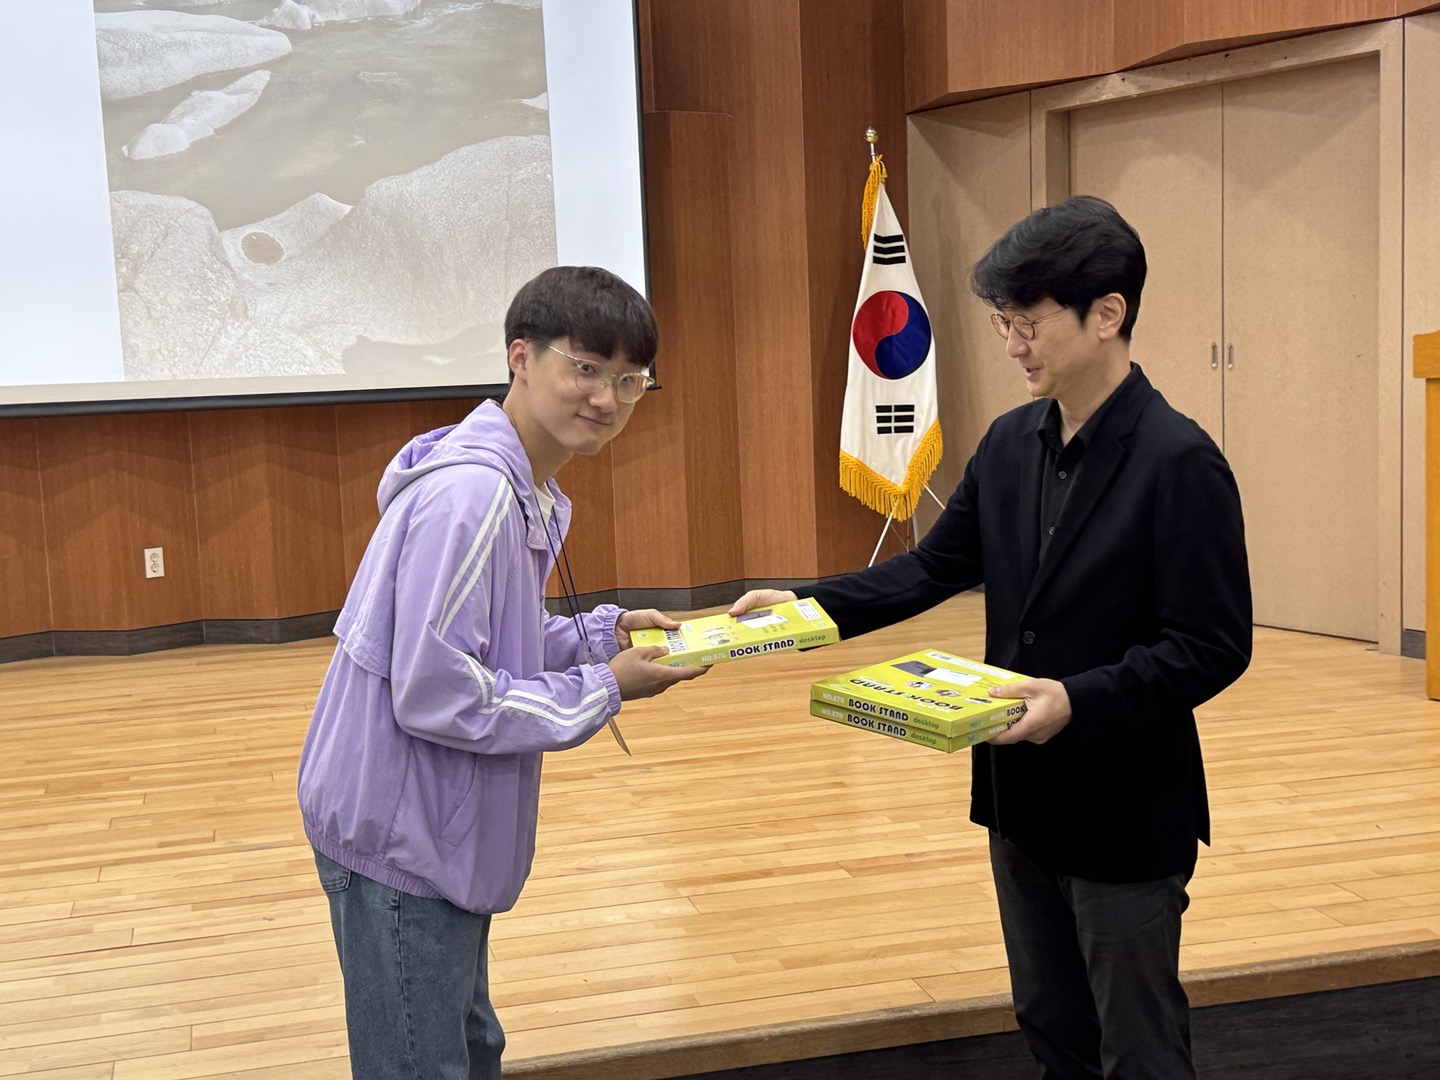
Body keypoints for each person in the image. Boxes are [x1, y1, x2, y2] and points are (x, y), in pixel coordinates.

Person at [733, 196, 1251, 1079]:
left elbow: (1211, 644)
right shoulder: (1011, 444)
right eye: (1001, 323)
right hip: (1018, 800)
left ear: (1107, 314)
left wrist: (1076, 700)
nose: (1011, 345)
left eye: (1027, 324)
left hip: (1123, 808)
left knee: (1140, 1050)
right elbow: (930, 568)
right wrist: (806, 607)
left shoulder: (1179, 461)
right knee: (1050, 1029)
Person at [298, 265, 707, 1079]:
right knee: (424, 1066)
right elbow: (437, 690)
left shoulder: (520, 486)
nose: (608, 398)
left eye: (630, 379)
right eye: (586, 368)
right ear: (522, 357)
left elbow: (491, 643)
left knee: (469, 1045)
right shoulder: (475, 497)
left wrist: (600, 634)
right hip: (401, 834)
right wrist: (605, 685)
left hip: (427, 824)